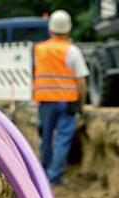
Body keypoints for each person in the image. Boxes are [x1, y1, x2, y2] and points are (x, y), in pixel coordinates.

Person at [33, 10, 89, 185]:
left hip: (45, 101)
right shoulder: (72, 51)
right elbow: (81, 80)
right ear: (68, 30)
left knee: (46, 139)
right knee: (62, 140)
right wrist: (82, 103)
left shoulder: (39, 50)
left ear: (50, 29)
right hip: (67, 102)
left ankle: (43, 175)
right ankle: (54, 177)